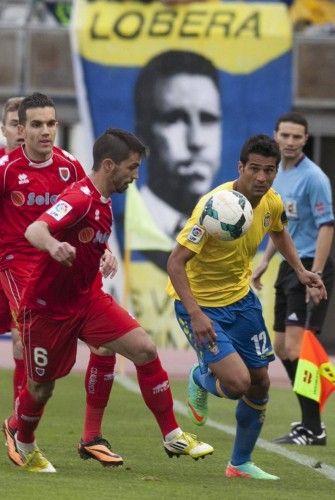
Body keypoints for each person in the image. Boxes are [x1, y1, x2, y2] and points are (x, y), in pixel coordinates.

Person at [3, 128, 214, 473]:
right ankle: (20, 434)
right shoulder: (80, 198)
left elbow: (87, 241)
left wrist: (103, 257)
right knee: (41, 389)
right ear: (108, 164)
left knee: (144, 348)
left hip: (87, 301)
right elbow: (34, 230)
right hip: (47, 310)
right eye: (131, 168)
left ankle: (172, 433)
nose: (135, 175)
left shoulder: (102, 202)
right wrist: (54, 246)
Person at [166, 134, 326, 480]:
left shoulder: (271, 201)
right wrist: (195, 315)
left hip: (241, 301)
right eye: (254, 169)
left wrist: (300, 271)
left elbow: (279, 230)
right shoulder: (213, 207)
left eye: (269, 170)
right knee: (238, 384)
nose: (262, 177)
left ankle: (239, 464)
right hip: (201, 306)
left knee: (261, 382)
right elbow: (176, 263)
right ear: (240, 168)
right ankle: (200, 376)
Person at [0, 92, 121, 467]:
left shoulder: (70, 166)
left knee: (106, 343)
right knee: (24, 337)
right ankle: (21, 433)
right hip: (16, 265)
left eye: (51, 124)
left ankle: (91, 437)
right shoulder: (5, 168)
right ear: (19, 129)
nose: (46, 131)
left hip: (60, 265)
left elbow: (84, 215)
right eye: (36, 124)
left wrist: (100, 250)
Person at [252, 112, 334, 445]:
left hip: (311, 265)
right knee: (283, 348)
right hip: (290, 265)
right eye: (284, 135)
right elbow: (280, 227)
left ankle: (314, 427)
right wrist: (264, 261)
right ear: (276, 135)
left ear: (306, 139)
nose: (289, 141)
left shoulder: (314, 178)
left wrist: (315, 273)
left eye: (297, 137)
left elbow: (327, 225)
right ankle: (310, 422)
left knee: (299, 347)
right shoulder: (277, 176)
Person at [134, 49, 222, 269]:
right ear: (142, 136)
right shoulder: (117, 229)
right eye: (175, 119)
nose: (196, 141)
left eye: (208, 119)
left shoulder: (234, 231)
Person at [0, 96, 26, 406]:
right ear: (4, 130)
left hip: (23, 271)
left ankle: (18, 424)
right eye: (14, 124)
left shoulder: (54, 168)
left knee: (23, 340)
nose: (21, 131)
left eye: (26, 124)